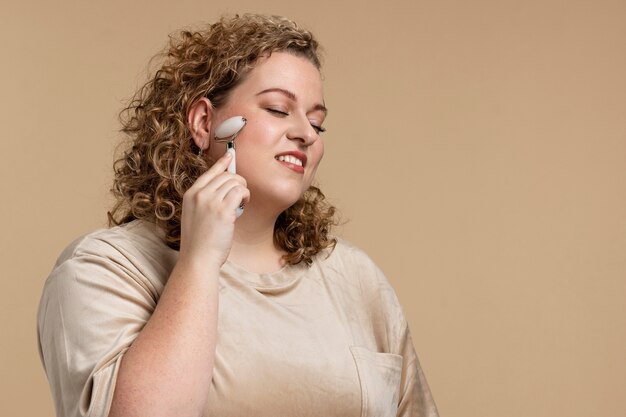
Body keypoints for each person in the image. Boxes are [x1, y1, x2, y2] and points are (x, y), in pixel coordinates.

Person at [37, 14, 439, 417]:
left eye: (317, 122)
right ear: (204, 122)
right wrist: (199, 260)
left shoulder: (357, 278)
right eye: (279, 110)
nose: (307, 133)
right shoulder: (104, 268)